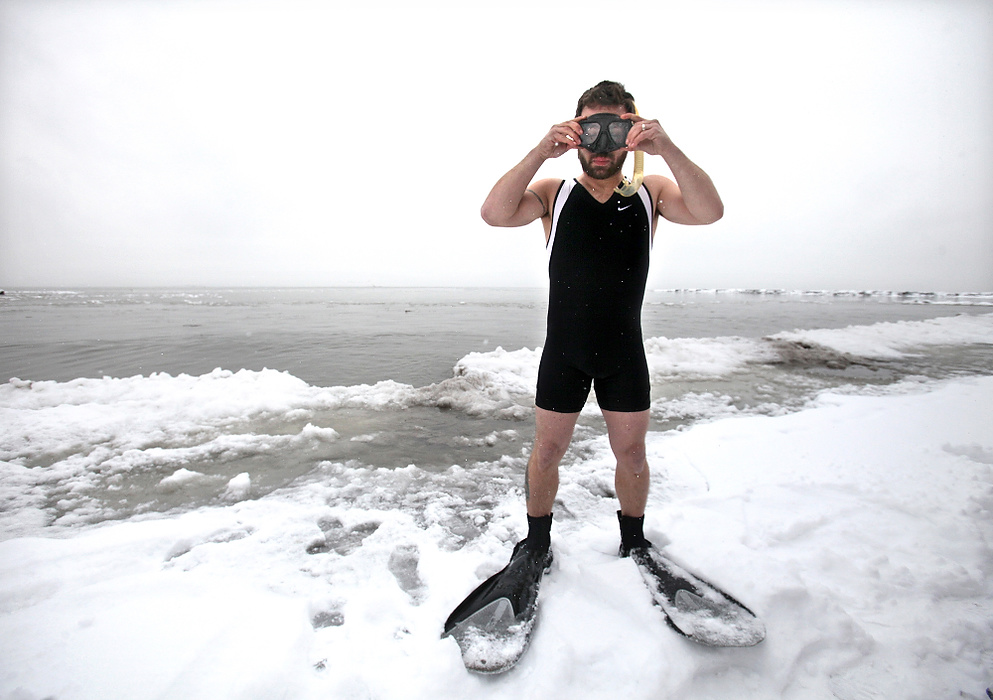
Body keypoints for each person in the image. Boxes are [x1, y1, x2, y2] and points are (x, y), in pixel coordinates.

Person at [480, 80, 724, 567]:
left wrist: (666, 147)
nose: (602, 143)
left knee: (632, 454)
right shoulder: (555, 191)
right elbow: (494, 213)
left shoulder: (649, 191)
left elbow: (709, 211)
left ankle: (634, 541)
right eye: (591, 129)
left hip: (623, 353)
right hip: (564, 352)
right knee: (547, 451)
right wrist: (539, 152)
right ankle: (536, 543)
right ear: (575, 132)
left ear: (633, 131)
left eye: (617, 129)